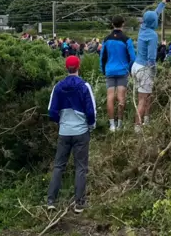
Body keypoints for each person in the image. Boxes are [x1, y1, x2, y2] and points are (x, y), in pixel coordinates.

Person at [47, 56, 96, 214]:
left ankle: (51, 201)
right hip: (81, 132)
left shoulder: (58, 87)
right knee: (80, 167)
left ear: (65, 67)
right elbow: (91, 111)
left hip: (64, 132)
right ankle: (79, 204)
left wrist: (60, 122)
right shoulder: (84, 86)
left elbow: (51, 111)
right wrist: (91, 126)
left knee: (59, 166)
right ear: (78, 67)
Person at [131, 0, 166, 132]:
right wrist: (154, 72)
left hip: (136, 66)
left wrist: (162, 4)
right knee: (142, 99)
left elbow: (153, 16)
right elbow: (152, 58)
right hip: (145, 68)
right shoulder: (152, 35)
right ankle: (138, 129)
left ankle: (146, 121)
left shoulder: (143, 28)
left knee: (146, 96)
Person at [100, 16, 136, 132]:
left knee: (110, 97)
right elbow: (133, 57)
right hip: (122, 71)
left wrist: (103, 70)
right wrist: (129, 69)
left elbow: (102, 57)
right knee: (121, 97)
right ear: (123, 24)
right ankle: (120, 124)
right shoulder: (127, 40)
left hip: (109, 71)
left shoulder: (106, 40)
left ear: (112, 24)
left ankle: (112, 125)